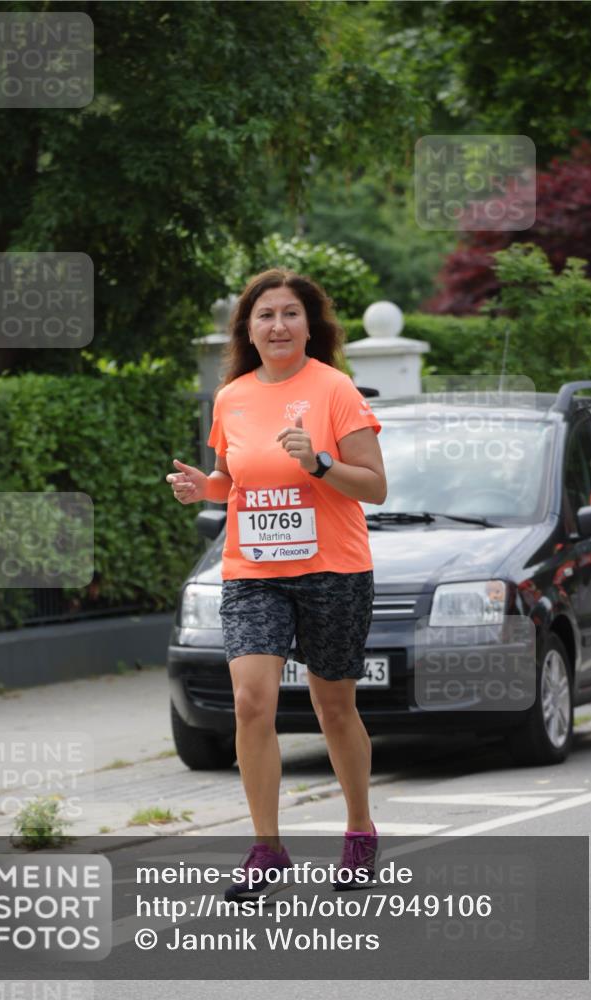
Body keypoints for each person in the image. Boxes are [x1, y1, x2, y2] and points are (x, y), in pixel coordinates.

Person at [167, 268, 387, 901]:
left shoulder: (334, 389)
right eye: (266, 315)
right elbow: (231, 479)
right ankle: (267, 846)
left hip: (332, 568)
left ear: (310, 325)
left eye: (291, 313)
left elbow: (375, 485)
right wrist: (202, 488)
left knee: (333, 707)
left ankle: (359, 828)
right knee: (251, 701)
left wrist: (319, 461)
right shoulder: (232, 397)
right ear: (249, 329)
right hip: (254, 571)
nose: (279, 325)